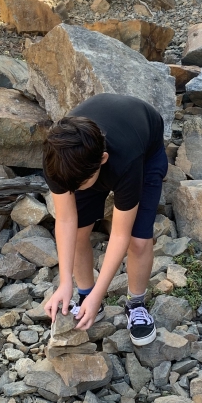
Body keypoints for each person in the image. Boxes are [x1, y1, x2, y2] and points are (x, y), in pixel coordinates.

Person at [43, 93, 168, 347]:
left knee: (138, 240)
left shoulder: (126, 161)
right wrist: (64, 281)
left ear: (102, 160)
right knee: (78, 232)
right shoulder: (57, 157)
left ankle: (136, 305)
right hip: (88, 155)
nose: (74, 190)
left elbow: (120, 234)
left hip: (144, 146)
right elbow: (66, 220)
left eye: (80, 185)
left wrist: (103, 293)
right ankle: (85, 296)